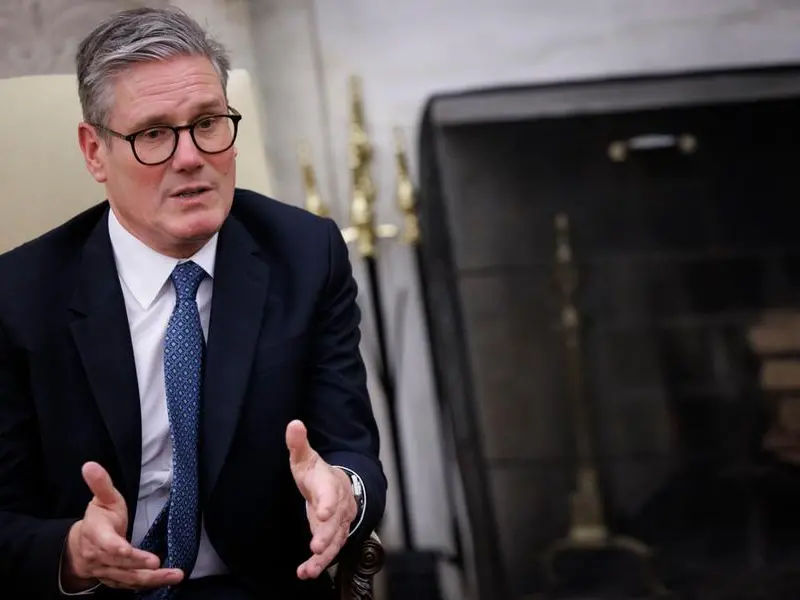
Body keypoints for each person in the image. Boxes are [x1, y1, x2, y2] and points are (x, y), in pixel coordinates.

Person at [0, 6, 386, 599]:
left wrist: (344, 493)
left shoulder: (306, 256)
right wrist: (73, 553)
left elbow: (351, 449)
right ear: (94, 151)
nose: (189, 157)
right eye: (154, 133)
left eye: (208, 123)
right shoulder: (19, 297)